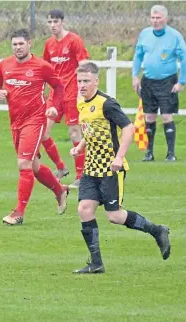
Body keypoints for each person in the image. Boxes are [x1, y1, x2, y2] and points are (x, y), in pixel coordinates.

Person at [71, 62, 171, 274]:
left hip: (110, 169)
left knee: (114, 216)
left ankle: (157, 231)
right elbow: (91, 130)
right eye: (79, 81)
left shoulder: (107, 104)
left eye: (86, 81)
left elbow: (128, 127)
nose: (82, 85)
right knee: (84, 209)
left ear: (96, 81)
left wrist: (119, 157)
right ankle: (96, 263)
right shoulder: (81, 102)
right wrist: (80, 146)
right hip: (91, 168)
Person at [0, 28, 69, 225]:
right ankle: (60, 190)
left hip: (35, 121)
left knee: (24, 164)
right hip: (15, 122)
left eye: (21, 44)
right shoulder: (5, 65)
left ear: (29, 43)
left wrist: (54, 108)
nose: (17, 47)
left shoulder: (42, 66)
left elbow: (59, 87)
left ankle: (18, 213)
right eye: (14, 44)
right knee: (33, 167)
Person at [42, 9, 90, 188]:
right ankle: (61, 167)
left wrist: (82, 89)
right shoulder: (49, 44)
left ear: (62, 22)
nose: (53, 25)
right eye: (50, 22)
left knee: (74, 133)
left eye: (55, 21)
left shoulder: (74, 40)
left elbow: (84, 64)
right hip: (55, 95)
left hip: (71, 94)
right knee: (44, 131)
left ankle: (81, 176)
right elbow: (45, 68)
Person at [132, 4, 186, 162]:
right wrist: (135, 76)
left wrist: (181, 81)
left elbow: (184, 59)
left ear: (165, 18)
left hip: (167, 81)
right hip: (148, 81)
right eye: (153, 18)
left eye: (158, 18)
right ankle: (149, 152)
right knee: (149, 117)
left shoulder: (175, 36)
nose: (155, 21)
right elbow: (138, 56)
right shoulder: (145, 34)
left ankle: (171, 153)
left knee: (167, 116)